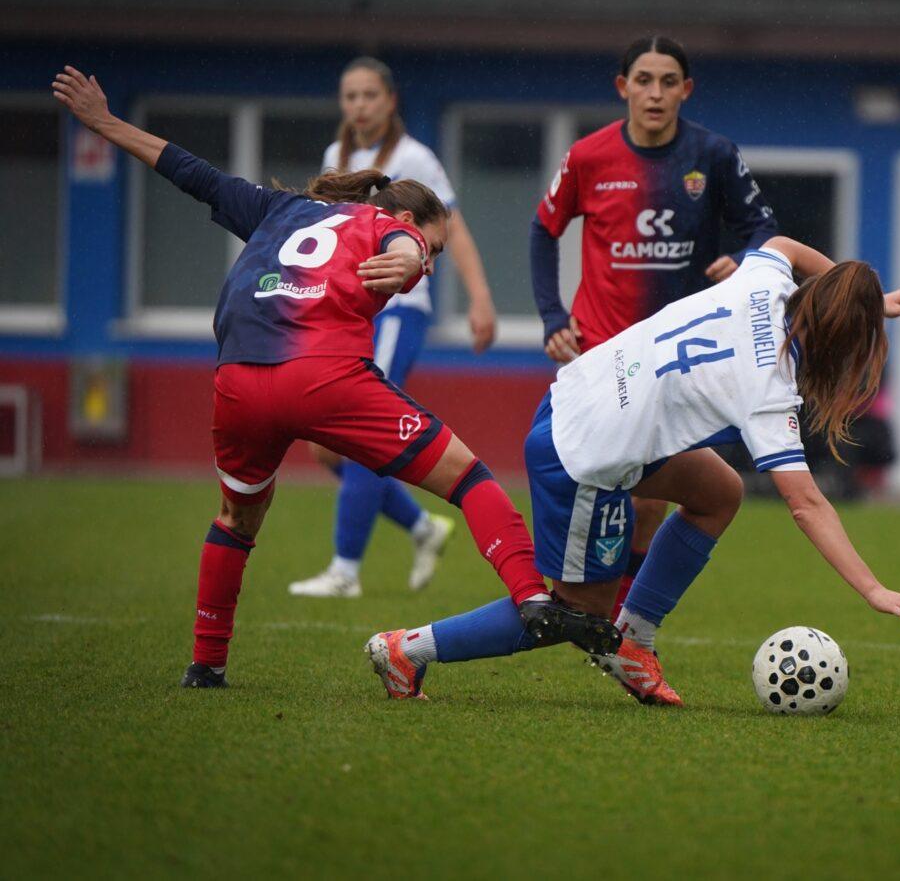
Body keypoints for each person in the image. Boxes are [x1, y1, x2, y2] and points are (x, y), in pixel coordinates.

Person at [51, 66, 619, 689]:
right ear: (405, 218)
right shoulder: (383, 222)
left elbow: (191, 172)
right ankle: (532, 599)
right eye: (434, 251)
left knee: (235, 521)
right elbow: (401, 242)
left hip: (238, 382)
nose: (429, 266)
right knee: (469, 477)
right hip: (324, 377)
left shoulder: (276, 208)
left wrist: (105, 123)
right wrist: (408, 257)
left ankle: (206, 666)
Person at [367, 236, 900, 705]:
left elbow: (783, 244)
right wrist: (874, 590)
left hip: (577, 396)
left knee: (718, 491)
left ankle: (635, 637)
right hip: (582, 456)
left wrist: (869, 300)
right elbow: (806, 503)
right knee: (573, 616)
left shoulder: (763, 284)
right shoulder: (770, 388)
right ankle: (407, 649)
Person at [531, 36, 779, 620]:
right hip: (602, 351)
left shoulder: (713, 155)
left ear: (685, 90)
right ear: (624, 87)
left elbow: (764, 229)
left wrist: (742, 259)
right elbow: (544, 229)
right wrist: (552, 316)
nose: (655, 93)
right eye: (644, 80)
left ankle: (613, 616)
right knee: (608, 484)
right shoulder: (588, 157)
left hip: (676, 355)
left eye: (669, 82)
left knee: (649, 500)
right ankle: (584, 604)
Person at [290, 57, 498, 599]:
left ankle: (344, 570)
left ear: (390, 101)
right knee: (325, 446)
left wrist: (479, 298)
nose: (359, 105)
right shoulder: (335, 157)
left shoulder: (414, 158)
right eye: (350, 95)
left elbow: (452, 228)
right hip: (349, 306)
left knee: (360, 426)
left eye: (369, 95)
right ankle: (422, 526)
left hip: (398, 309)